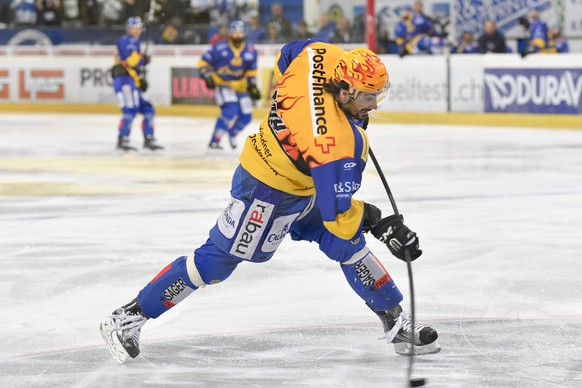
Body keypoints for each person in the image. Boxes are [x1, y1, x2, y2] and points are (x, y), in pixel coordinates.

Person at [99, 40, 441, 364]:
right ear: (347, 90)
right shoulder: (336, 141)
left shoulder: (321, 56)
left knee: (346, 243)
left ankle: (395, 323)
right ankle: (129, 316)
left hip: (298, 181)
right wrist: (381, 222)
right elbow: (337, 211)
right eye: (368, 97)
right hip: (267, 191)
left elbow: (289, 53)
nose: (375, 105)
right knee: (216, 262)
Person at [198, 20, 261, 150]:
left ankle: (232, 133)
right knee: (230, 111)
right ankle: (214, 141)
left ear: (245, 33)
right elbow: (203, 62)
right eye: (235, 32)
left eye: (240, 32)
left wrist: (252, 86)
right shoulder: (219, 48)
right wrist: (206, 76)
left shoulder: (251, 51)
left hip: (241, 88)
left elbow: (251, 72)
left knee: (246, 116)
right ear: (230, 33)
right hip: (223, 86)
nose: (238, 35)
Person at [112, 16, 164, 151]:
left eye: (139, 27)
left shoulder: (135, 42)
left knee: (148, 109)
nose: (137, 30)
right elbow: (132, 61)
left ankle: (149, 138)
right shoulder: (127, 41)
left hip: (131, 81)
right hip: (124, 81)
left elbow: (136, 63)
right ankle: (123, 139)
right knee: (130, 109)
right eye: (135, 27)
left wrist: (142, 62)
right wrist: (143, 59)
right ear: (129, 28)